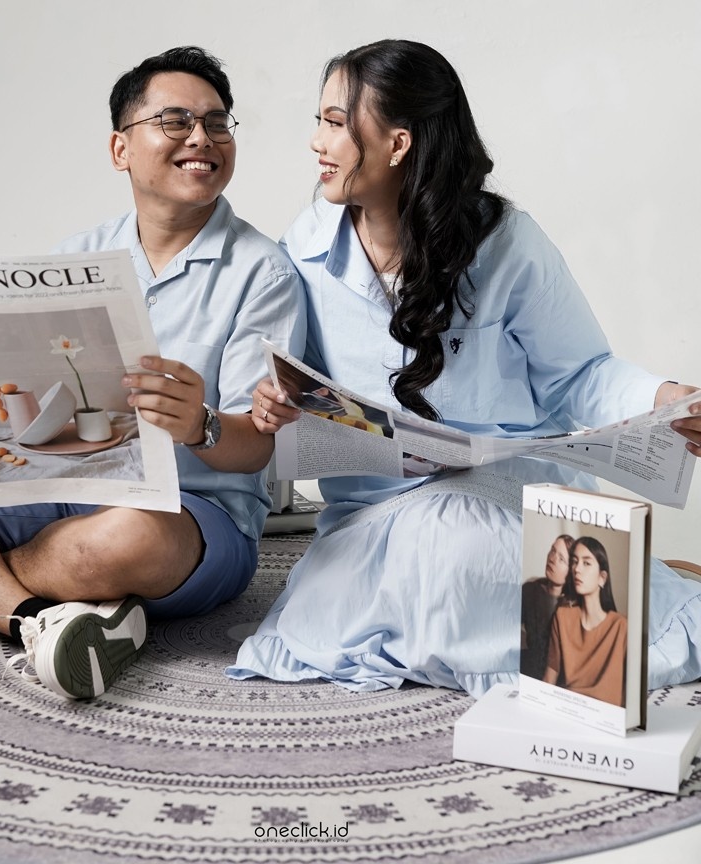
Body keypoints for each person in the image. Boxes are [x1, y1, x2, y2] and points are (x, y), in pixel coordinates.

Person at [228, 38, 701, 697]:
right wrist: (274, 404)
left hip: (504, 502)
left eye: (335, 123)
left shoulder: (507, 242)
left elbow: (581, 373)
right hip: (372, 519)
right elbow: (291, 386)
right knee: (405, 575)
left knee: (459, 547)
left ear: (397, 144)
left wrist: (661, 396)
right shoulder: (303, 250)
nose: (317, 142)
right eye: (320, 120)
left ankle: (644, 589)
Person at [0, 46, 306, 700]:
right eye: (175, 121)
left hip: (189, 513)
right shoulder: (77, 255)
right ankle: (38, 615)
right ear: (121, 148)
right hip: (59, 483)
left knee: (120, 543)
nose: (202, 138)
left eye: (217, 123)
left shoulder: (265, 274)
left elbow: (259, 447)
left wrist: (199, 424)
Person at [543, 536, 627, 705]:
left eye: (586, 563)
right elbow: (550, 676)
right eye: (574, 562)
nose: (577, 569)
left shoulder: (621, 627)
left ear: (602, 578)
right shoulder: (562, 617)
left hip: (606, 713)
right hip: (567, 707)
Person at [520, 534, 575, 681]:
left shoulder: (573, 607)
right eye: (552, 550)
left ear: (570, 571)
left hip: (558, 680)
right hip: (529, 669)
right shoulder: (530, 590)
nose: (552, 558)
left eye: (561, 559)